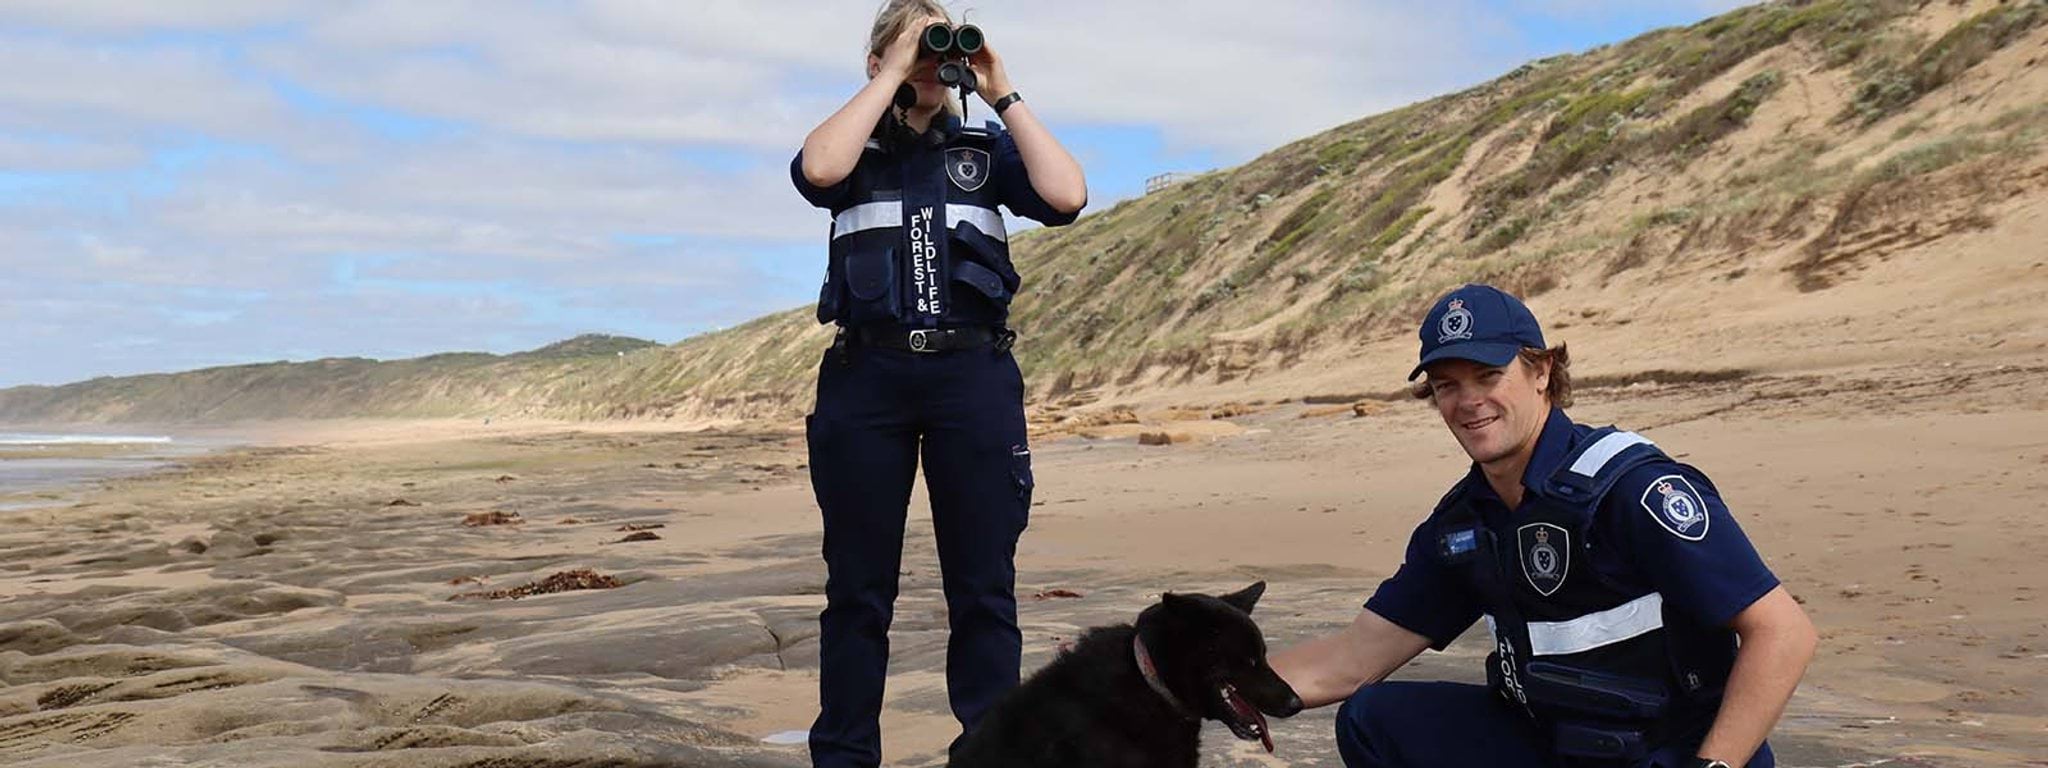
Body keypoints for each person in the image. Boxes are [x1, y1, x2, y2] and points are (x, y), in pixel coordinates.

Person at [1270, 284, 1817, 767]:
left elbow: (1783, 632)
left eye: (1488, 375)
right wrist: (1220, 683)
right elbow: (1352, 660)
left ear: (1542, 372)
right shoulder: (1465, 522)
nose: (1469, 401)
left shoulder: (1630, 489)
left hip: (1668, 753)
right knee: (1375, 720)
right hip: (1558, 744)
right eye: (1446, 385)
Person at [789, 2, 1086, 766]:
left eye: (937, 45)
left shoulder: (987, 150)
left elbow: (1066, 197)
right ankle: (845, 757)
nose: (929, 59)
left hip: (972, 377)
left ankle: (989, 755)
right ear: (876, 60)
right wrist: (891, 73)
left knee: (984, 590)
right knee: (857, 593)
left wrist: (1001, 88)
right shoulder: (853, 151)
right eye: (913, 46)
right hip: (867, 378)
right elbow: (817, 170)